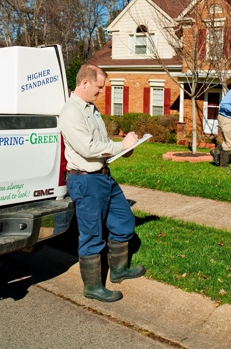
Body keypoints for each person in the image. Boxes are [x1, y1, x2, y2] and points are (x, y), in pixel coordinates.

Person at [60, 63, 146, 303]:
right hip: (85, 181)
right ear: (85, 82)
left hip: (103, 176)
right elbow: (87, 148)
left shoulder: (91, 109)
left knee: (124, 220)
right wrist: (122, 145)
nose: (101, 92)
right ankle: (93, 287)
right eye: (98, 87)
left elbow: (101, 143)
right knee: (92, 234)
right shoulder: (71, 112)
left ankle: (118, 271)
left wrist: (122, 151)